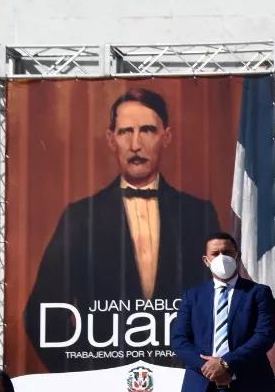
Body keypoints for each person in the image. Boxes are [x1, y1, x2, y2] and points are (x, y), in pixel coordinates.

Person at [25, 88, 221, 371]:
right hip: (103, 385)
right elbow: (39, 313)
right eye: (125, 131)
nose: (135, 144)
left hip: (181, 381)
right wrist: (83, 370)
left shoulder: (198, 213)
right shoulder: (80, 218)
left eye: (148, 130)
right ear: (111, 139)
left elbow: (219, 303)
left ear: (166, 136)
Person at [171, 232, 275, 392]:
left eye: (227, 252)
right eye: (215, 253)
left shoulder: (258, 293)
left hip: (247, 391)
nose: (222, 258)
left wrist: (226, 364)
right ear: (206, 260)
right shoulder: (192, 296)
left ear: (237, 256)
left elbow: (264, 335)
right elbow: (179, 340)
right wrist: (210, 368)